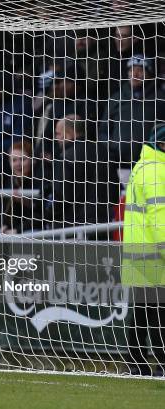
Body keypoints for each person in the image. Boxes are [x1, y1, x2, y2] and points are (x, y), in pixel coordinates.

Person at [121, 124, 165, 377]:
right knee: (159, 314)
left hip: (138, 250)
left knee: (141, 313)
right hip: (155, 253)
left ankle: (136, 364)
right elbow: (160, 218)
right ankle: (161, 363)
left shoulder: (143, 165)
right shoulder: (158, 170)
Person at [47, 115, 119, 229]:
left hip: (73, 228)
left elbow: (60, 198)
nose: (56, 138)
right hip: (103, 225)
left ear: (68, 134)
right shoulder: (105, 153)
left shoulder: (65, 158)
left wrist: (49, 212)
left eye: (58, 134)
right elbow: (115, 191)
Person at [98, 55, 165, 168]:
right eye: (131, 70)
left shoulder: (160, 99)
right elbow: (103, 131)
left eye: (140, 70)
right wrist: (112, 148)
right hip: (119, 165)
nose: (135, 74)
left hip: (152, 165)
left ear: (149, 73)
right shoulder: (116, 98)